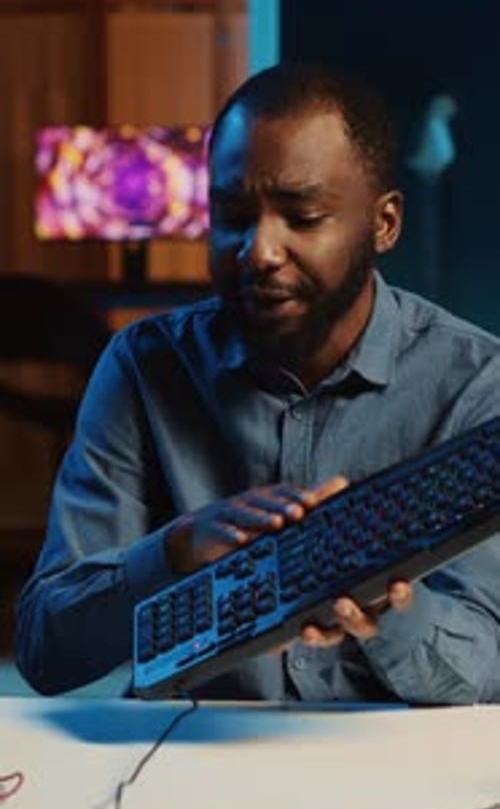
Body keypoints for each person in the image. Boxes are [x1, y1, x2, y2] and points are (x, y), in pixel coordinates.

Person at [15, 62, 500, 704]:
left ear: (383, 224)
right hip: (187, 752)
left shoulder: (475, 382)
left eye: (302, 217)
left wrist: (389, 610)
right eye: (233, 215)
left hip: (395, 761)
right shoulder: (145, 367)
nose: (259, 251)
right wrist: (176, 553)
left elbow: (490, 666)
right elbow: (46, 650)